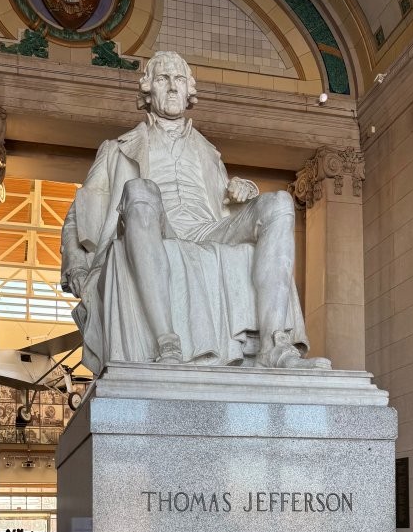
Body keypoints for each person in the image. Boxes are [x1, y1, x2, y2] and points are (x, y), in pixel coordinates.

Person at [61, 51, 329, 376]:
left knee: (278, 205)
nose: (172, 87)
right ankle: (166, 343)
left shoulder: (209, 152)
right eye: (163, 79)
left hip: (207, 228)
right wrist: (76, 266)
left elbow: (223, 205)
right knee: (140, 190)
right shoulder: (117, 148)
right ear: (148, 91)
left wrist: (242, 193)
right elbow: (82, 208)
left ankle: (276, 345)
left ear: (190, 92)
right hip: (153, 225)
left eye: (179, 80)